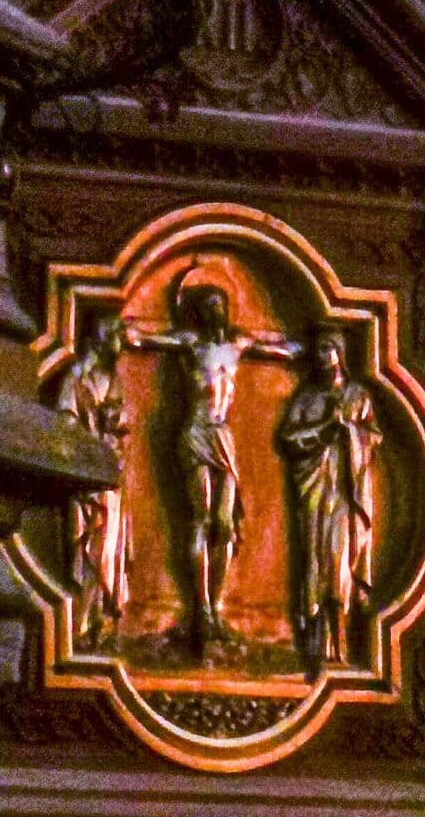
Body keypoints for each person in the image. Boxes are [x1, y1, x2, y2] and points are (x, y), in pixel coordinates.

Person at [128, 277, 299, 650]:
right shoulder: (192, 344)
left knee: (225, 524)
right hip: (195, 432)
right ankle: (201, 608)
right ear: (199, 314)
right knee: (201, 517)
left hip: (223, 436)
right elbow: (150, 339)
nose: (214, 312)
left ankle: (215, 603)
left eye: (219, 304)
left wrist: (305, 349)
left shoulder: (238, 344)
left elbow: (282, 350)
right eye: (207, 306)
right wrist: (133, 333)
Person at [279, 328, 381, 666]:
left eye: (328, 349)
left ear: (340, 353)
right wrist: (326, 427)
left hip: (346, 492)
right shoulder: (306, 398)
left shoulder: (357, 396)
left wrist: (349, 431)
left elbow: (373, 439)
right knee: (314, 561)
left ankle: (340, 644)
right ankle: (314, 642)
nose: (323, 355)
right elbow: (289, 439)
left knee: (339, 561)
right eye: (319, 349)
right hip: (314, 489)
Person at [58, 313, 131, 645]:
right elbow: (65, 422)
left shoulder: (112, 380)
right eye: (113, 334)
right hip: (86, 476)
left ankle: (97, 618)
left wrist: (113, 432)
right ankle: (81, 623)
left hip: (110, 477)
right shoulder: (75, 381)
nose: (119, 342)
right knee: (91, 548)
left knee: (106, 551)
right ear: (97, 340)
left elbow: (123, 426)